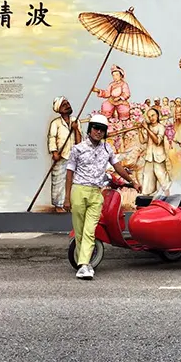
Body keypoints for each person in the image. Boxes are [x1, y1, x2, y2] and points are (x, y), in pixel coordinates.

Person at [65, 114, 140, 280]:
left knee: (90, 230)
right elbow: (69, 173)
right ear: (90, 129)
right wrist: (67, 197)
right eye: (95, 128)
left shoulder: (107, 149)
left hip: (96, 193)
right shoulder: (77, 149)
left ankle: (84, 265)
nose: (98, 132)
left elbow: (118, 167)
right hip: (79, 190)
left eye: (102, 129)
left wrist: (132, 181)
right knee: (79, 230)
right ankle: (83, 263)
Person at [48, 96, 81, 212]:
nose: (67, 106)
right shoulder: (55, 123)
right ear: (59, 109)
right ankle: (58, 205)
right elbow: (52, 138)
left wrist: (76, 129)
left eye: (67, 103)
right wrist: (54, 152)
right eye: (64, 105)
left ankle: (71, 203)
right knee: (59, 180)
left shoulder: (75, 120)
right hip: (61, 156)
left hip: (73, 156)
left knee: (73, 180)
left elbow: (79, 141)